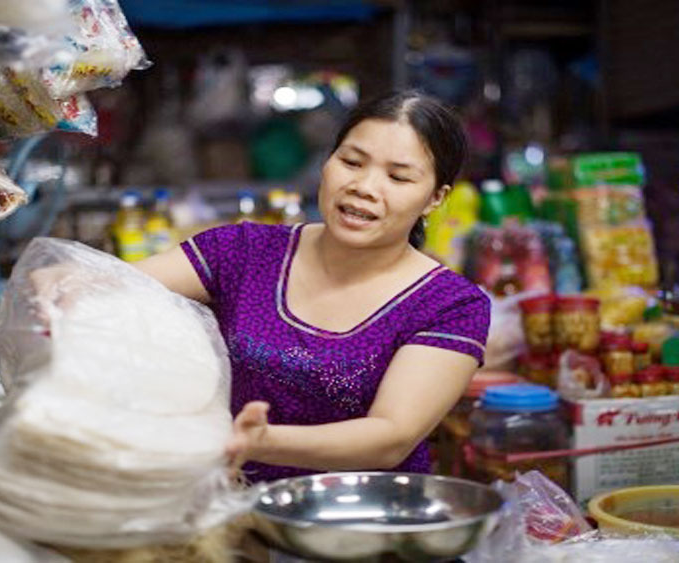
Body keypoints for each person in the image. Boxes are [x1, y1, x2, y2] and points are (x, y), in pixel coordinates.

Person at [130, 90, 490, 484]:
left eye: (398, 177)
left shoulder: (451, 305)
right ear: (327, 162)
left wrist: (259, 441)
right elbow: (118, 286)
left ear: (434, 198)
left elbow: (391, 436)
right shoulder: (245, 251)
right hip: (235, 514)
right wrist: (64, 278)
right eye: (351, 162)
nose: (365, 186)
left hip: (363, 527)